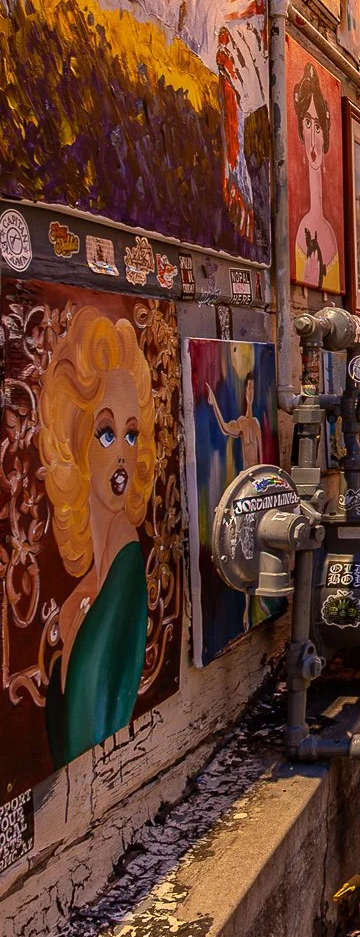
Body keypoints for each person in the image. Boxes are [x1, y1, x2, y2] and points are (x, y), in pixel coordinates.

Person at [37, 307, 155, 765]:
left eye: (131, 434)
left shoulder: (125, 579)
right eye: (107, 434)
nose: (124, 454)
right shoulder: (97, 578)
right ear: (75, 438)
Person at [293, 61, 340, 289]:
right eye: (308, 123)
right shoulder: (301, 229)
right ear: (301, 130)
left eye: (319, 126)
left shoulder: (331, 234)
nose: (313, 137)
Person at [205, 365, 264, 476]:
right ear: (245, 391)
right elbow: (225, 428)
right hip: (247, 475)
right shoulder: (241, 422)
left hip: (258, 477)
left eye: (253, 388)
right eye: (249, 388)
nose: (251, 392)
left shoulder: (256, 423)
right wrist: (214, 404)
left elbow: (261, 456)